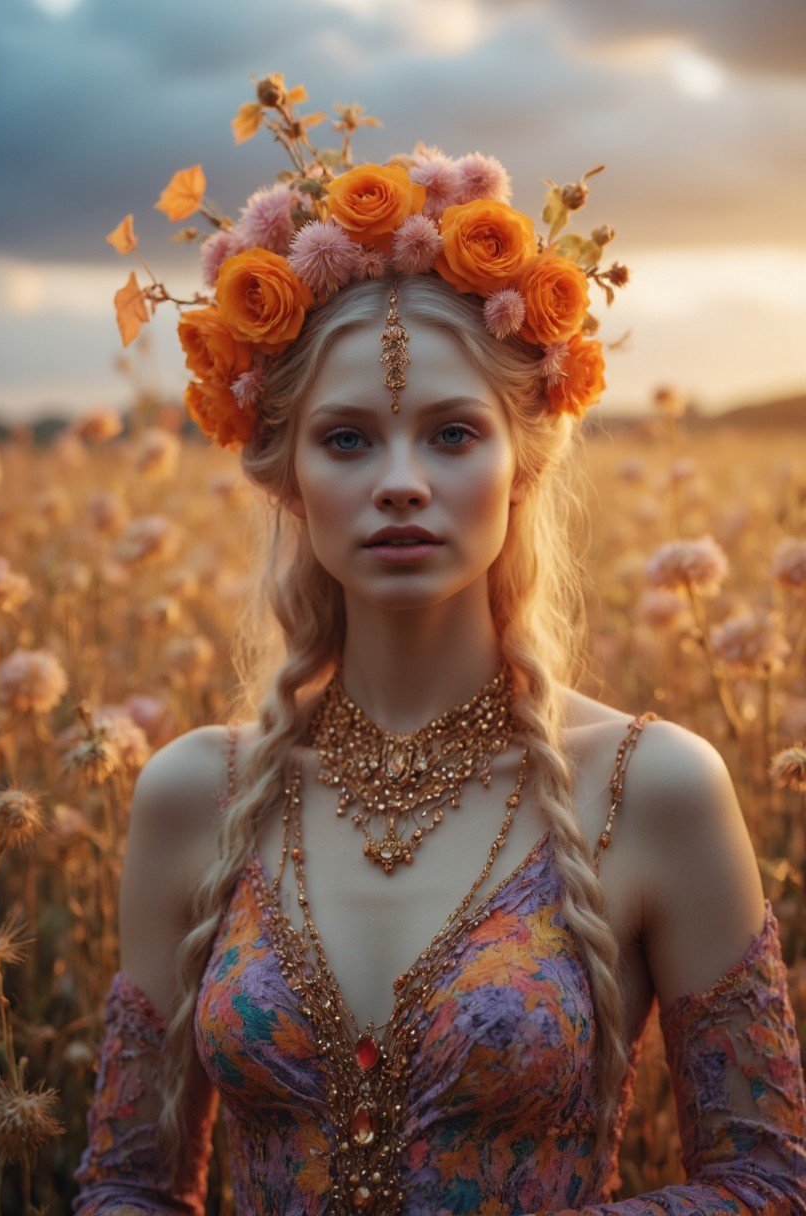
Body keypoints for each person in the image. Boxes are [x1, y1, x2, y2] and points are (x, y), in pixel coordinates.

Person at [74, 77, 806, 1215]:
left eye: (453, 432)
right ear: (285, 471)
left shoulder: (653, 788)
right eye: (350, 437)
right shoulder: (192, 795)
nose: (402, 483)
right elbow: (124, 1185)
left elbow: (766, 1180)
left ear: (522, 461)